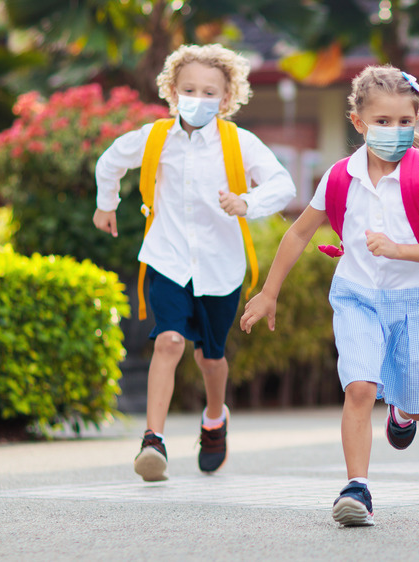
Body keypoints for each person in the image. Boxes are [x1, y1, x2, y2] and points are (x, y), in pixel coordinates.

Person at [239, 65, 419, 527]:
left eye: (405, 122)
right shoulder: (340, 176)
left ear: (416, 121)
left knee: (417, 402)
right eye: (383, 122)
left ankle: (403, 417)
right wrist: (269, 292)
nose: (394, 131)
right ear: (358, 123)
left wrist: (398, 249)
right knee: (360, 387)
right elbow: (299, 233)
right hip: (357, 296)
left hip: (416, 302)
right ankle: (356, 490)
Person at [93, 44, 296, 482]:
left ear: (226, 99)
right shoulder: (154, 138)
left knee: (210, 358)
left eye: (209, 92)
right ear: (172, 91)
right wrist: (105, 204)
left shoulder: (238, 143)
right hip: (166, 258)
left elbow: (282, 184)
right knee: (168, 341)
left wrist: (247, 202)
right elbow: (110, 162)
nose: (198, 99)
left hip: (220, 267)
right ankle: (153, 441)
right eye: (189, 89)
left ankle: (214, 418)